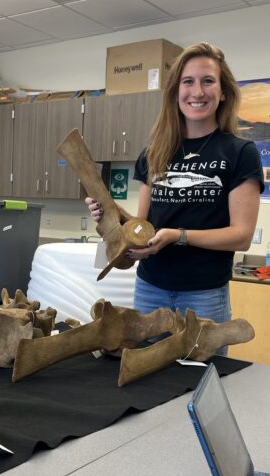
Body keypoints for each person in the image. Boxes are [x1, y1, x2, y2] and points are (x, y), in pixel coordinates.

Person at [86, 41, 263, 334]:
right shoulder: (154, 152)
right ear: (175, 92)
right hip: (149, 290)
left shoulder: (239, 152)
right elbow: (143, 228)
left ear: (223, 93)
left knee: (203, 377)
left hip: (204, 296)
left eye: (208, 81)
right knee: (146, 372)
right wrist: (111, 213)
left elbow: (241, 237)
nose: (197, 92)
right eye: (188, 82)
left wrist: (178, 236)